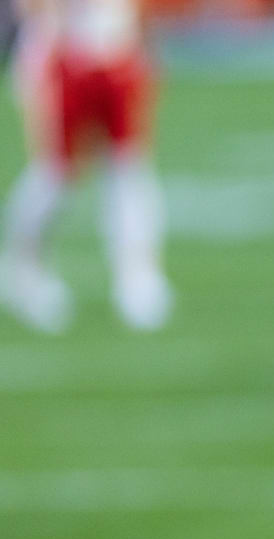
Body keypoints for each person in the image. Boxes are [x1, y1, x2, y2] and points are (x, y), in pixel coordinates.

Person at [2, 0, 170, 333]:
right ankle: (22, 268)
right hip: (63, 54)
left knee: (128, 166)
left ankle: (136, 274)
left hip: (114, 50)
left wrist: (140, 44)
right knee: (56, 173)